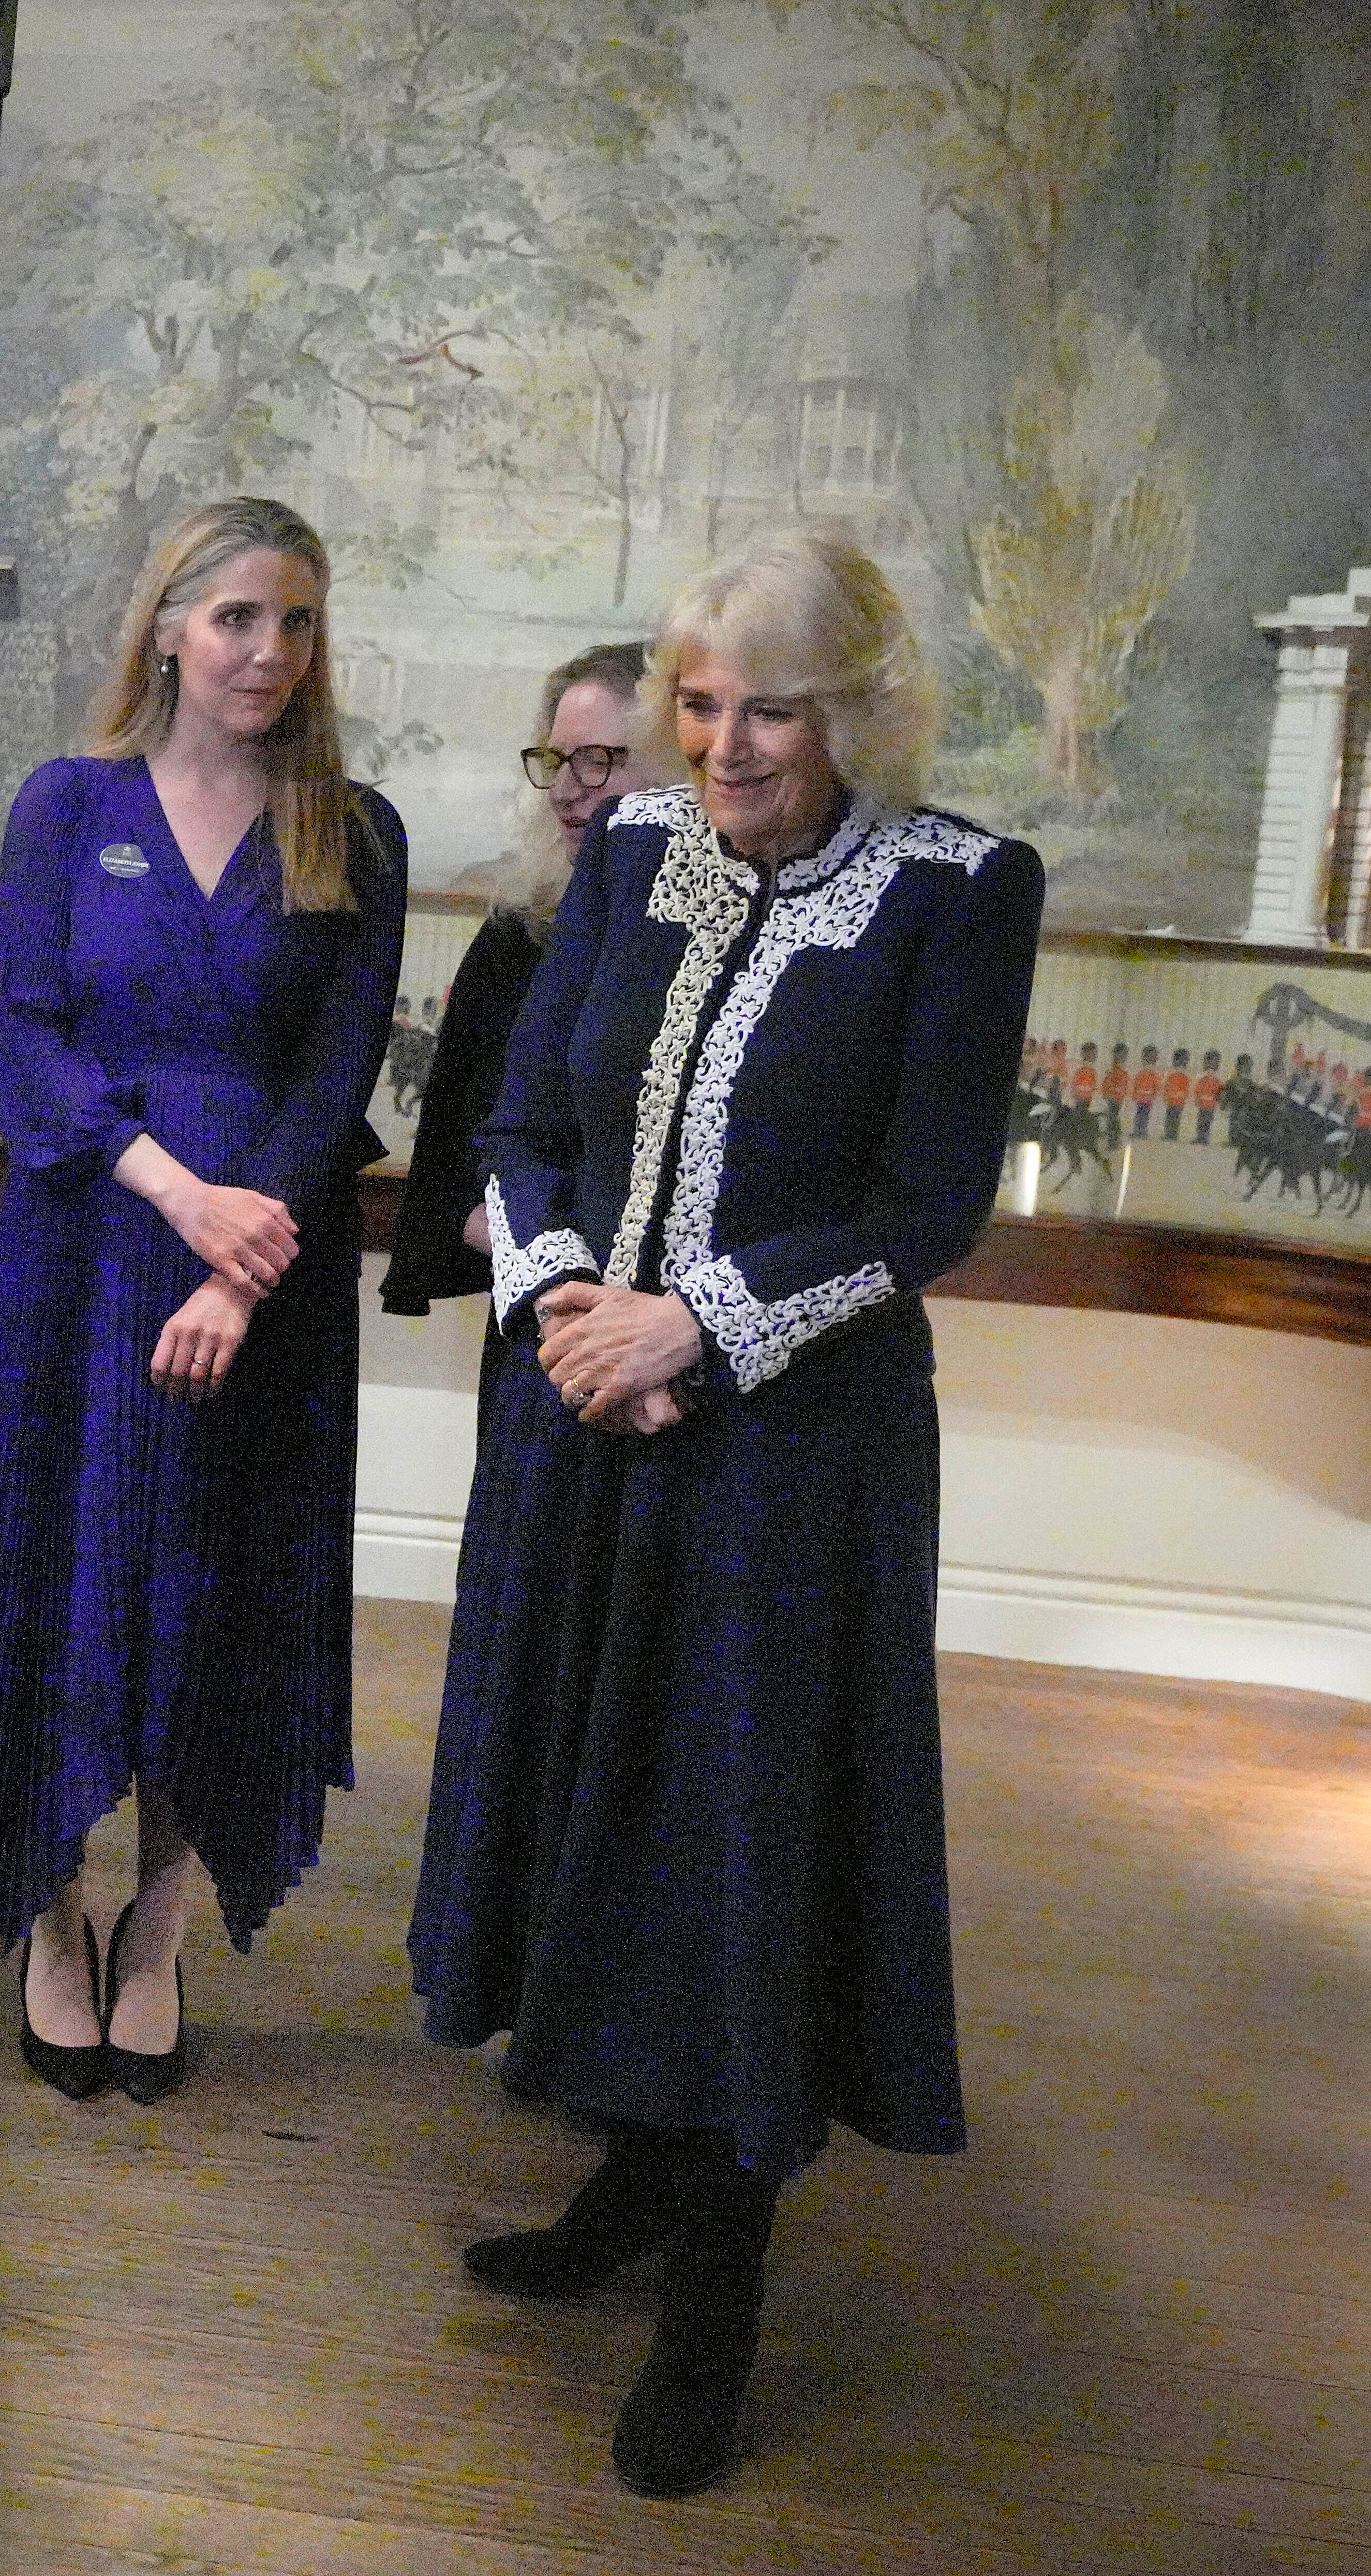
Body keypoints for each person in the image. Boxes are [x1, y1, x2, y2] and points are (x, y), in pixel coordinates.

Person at [407, 526, 1041, 2498]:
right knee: (599, 1801)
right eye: (697, 702)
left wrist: (705, 1321)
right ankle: (627, 2168)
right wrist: (575, 1305)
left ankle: (717, 2286)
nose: (725, 742)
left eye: (769, 704)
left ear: (856, 707)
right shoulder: (620, 861)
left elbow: (919, 1202)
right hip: (591, 1422)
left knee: (736, 1844)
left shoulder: (956, 891)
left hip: (791, 1464)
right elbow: (517, 1122)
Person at [0, 495, 405, 2109]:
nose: (267, 653)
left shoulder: (356, 831)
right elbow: (30, 1037)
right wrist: (173, 1195)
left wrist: (237, 1258)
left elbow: (335, 1079)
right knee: (69, 1574)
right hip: (88, 1258)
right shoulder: (68, 807)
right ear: (169, 631)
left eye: (296, 623)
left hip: (264, 1285)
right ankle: (50, 1922)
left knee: (220, 1588)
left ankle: (159, 1929)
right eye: (237, 619)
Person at [382, 642, 670, 1327]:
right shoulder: (522, 936)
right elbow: (454, 1182)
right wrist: (565, 1277)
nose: (569, 788)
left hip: (688, 1330)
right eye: (556, 760)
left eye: (600, 759)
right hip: (549, 1318)